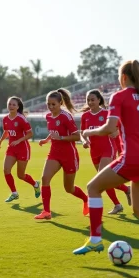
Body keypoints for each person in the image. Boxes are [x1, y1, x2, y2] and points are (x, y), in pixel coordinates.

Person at [73, 60, 139, 266]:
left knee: (93, 187)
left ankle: (95, 240)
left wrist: (88, 131)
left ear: (123, 77)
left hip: (133, 158)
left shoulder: (120, 96)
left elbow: (108, 127)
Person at [34, 88, 88, 220]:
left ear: (60, 103)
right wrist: (47, 139)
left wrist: (61, 138)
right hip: (54, 153)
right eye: (48, 104)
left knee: (69, 188)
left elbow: (76, 136)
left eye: (53, 104)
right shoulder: (48, 116)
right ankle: (46, 211)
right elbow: (54, 131)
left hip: (69, 155)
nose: (51, 107)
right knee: (45, 178)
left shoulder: (66, 116)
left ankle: (87, 199)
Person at [80, 89, 131, 214]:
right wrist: (84, 141)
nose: (90, 102)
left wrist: (116, 132)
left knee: (101, 178)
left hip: (108, 149)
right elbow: (82, 133)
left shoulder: (108, 114)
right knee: (105, 180)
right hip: (94, 151)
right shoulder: (85, 116)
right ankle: (124, 193)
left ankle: (109, 206)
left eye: (92, 100)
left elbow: (121, 128)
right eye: (88, 100)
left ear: (99, 100)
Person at [0, 96, 40, 202]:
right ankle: (14, 193)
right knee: (6, 170)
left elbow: (30, 134)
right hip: (11, 148)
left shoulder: (21, 119)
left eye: (13, 104)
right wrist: (0, 142)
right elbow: (6, 131)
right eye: (9, 104)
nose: (11, 106)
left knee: (21, 175)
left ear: (18, 107)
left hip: (23, 149)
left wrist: (19, 140)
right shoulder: (5, 118)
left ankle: (35, 184)